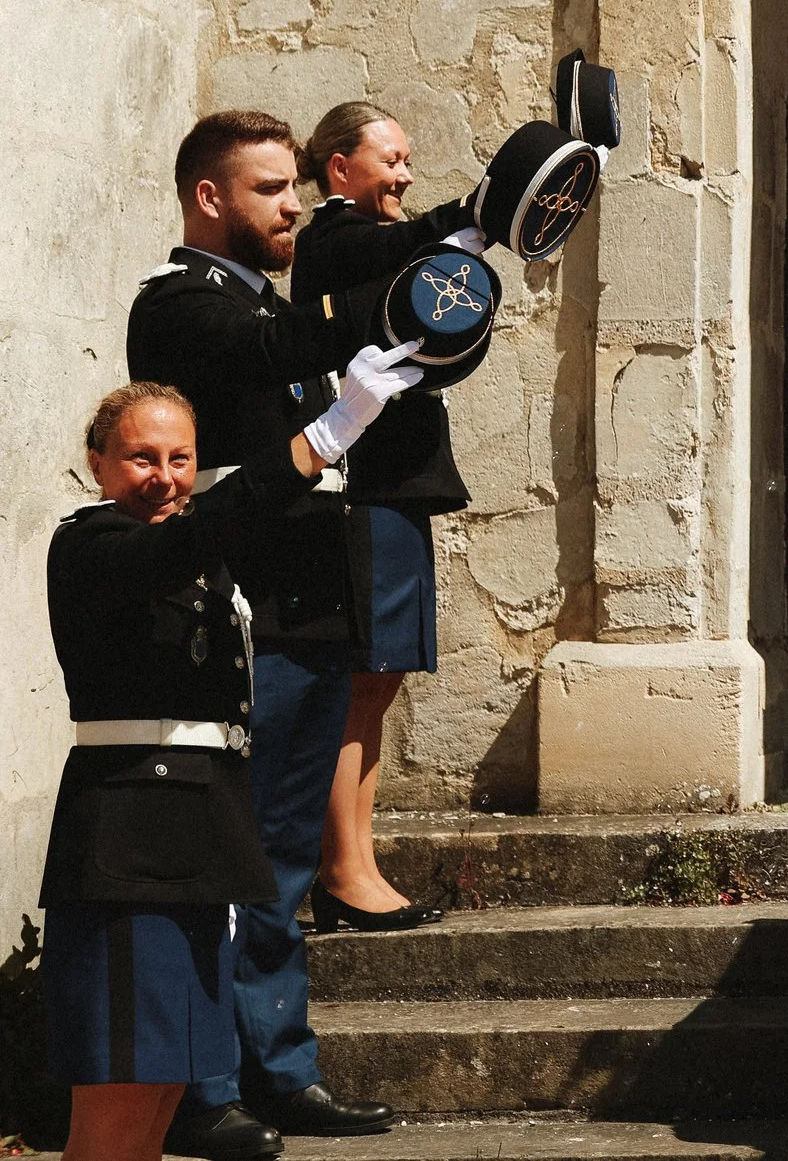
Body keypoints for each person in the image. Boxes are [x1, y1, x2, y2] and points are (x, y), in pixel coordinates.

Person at [42, 358, 419, 1161]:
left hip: (203, 841)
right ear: (98, 463)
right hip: (129, 850)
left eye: (180, 459)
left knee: (165, 1091)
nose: (163, 476)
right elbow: (189, 538)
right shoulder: (90, 544)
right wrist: (313, 444)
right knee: (115, 1108)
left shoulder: (203, 560)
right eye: (141, 457)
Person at [129, 112, 402, 1158]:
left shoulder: (267, 302)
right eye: (271, 189)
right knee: (220, 860)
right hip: (234, 618)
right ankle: (201, 1090)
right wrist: (409, 271)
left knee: (284, 857)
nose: (294, 206)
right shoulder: (182, 305)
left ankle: (279, 1069)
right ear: (211, 197)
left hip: (309, 611)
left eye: (293, 187)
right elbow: (280, 350)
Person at [290, 102, 485, 933]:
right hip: (363, 489)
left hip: (397, 486)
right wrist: (470, 213)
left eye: (408, 160)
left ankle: (355, 862)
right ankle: (342, 870)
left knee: (379, 682)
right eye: (391, 159)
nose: (404, 175)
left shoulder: (377, 237)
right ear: (340, 168)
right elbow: (392, 251)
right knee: (358, 681)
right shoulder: (333, 237)